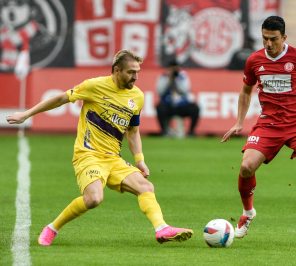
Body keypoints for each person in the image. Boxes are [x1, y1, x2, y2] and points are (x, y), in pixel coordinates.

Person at [6, 49, 194, 245]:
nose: (135, 77)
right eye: (130, 72)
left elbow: (133, 131)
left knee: (146, 186)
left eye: (137, 72)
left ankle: (162, 229)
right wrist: (26, 114)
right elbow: (61, 98)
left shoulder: (136, 97)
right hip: (88, 155)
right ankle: (52, 228)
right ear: (116, 70)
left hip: (113, 158)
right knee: (94, 199)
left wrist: (140, 160)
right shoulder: (94, 86)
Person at [221, 16, 296, 238]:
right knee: (246, 167)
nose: (268, 44)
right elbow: (246, 91)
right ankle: (248, 212)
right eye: (265, 39)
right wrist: (239, 122)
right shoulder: (254, 60)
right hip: (268, 124)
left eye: (273, 39)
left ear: (284, 37)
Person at [156, 60, 200, 136]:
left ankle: (191, 132)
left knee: (195, 108)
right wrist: (168, 79)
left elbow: (186, 90)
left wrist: (177, 80)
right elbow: (160, 92)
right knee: (160, 107)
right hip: (168, 105)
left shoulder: (183, 76)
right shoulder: (163, 77)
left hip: (181, 106)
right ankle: (164, 131)